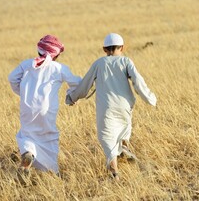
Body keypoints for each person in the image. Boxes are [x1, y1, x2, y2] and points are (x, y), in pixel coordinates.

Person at [66, 33, 157, 181]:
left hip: (106, 107)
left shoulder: (99, 63)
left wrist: (72, 98)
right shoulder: (126, 61)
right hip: (125, 105)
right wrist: (150, 98)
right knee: (123, 128)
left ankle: (115, 173)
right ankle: (124, 145)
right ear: (122, 47)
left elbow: (85, 85)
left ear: (104, 49)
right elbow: (138, 82)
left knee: (107, 138)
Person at [8, 34, 81, 176]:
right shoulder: (59, 68)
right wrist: (71, 95)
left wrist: (22, 93)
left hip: (27, 108)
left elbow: (12, 78)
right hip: (47, 110)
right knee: (49, 136)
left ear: (39, 50)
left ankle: (28, 153)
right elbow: (76, 82)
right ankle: (52, 172)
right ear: (56, 55)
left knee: (27, 135)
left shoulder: (27, 64)